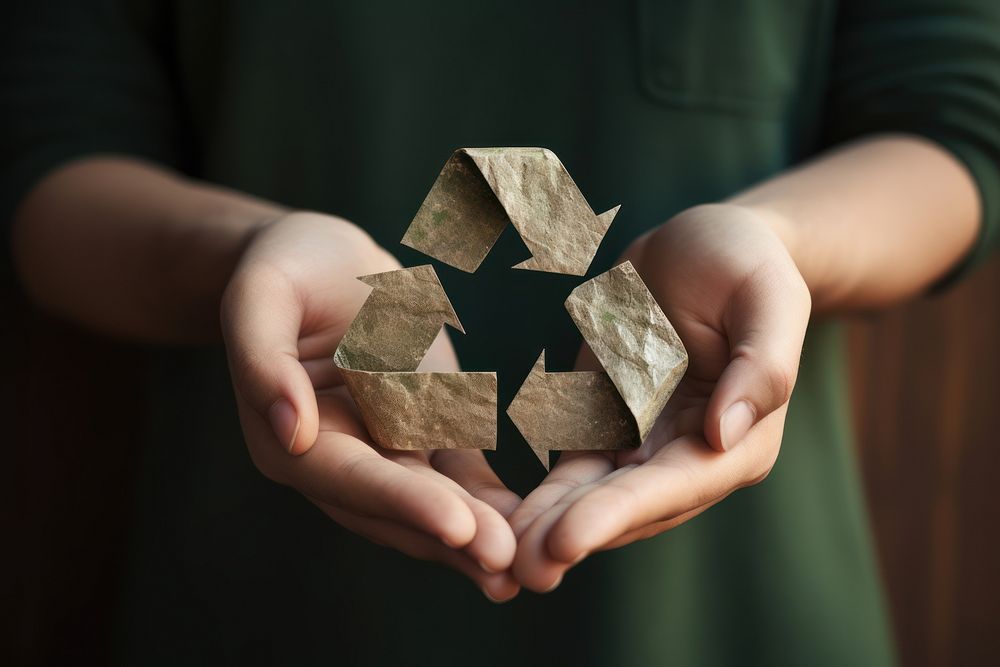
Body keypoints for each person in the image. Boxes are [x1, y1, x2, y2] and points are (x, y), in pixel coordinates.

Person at [4, 1, 999, 664]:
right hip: (270, 600)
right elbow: (54, 153)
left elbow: (954, 125)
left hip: (729, 608)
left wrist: (771, 244)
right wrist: (248, 255)